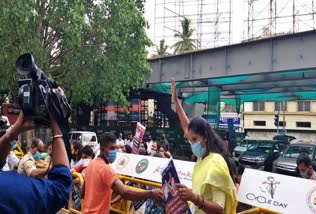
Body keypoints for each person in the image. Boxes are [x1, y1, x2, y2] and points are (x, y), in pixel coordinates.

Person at [171, 79, 237, 214]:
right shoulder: (203, 158)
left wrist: (194, 198)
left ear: (205, 137)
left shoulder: (216, 163)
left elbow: (219, 209)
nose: (192, 144)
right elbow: (186, 126)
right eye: (190, 140)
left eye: (194, 139)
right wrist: (176, 102)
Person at [0, 111, 72, 213]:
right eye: (40, 150)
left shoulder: (35, 160)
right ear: (33, 148)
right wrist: (56, 125)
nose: (41, 153)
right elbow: (60, 187)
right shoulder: (10, 190)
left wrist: (13, 132)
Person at [83, 132, 164, 214]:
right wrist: (150, 193)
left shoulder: (91, 164)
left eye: (115, 148)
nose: (114, 151)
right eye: (111, 148)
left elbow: (83, 192)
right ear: (102, 149)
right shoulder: (106, 170)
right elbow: (125, 193)